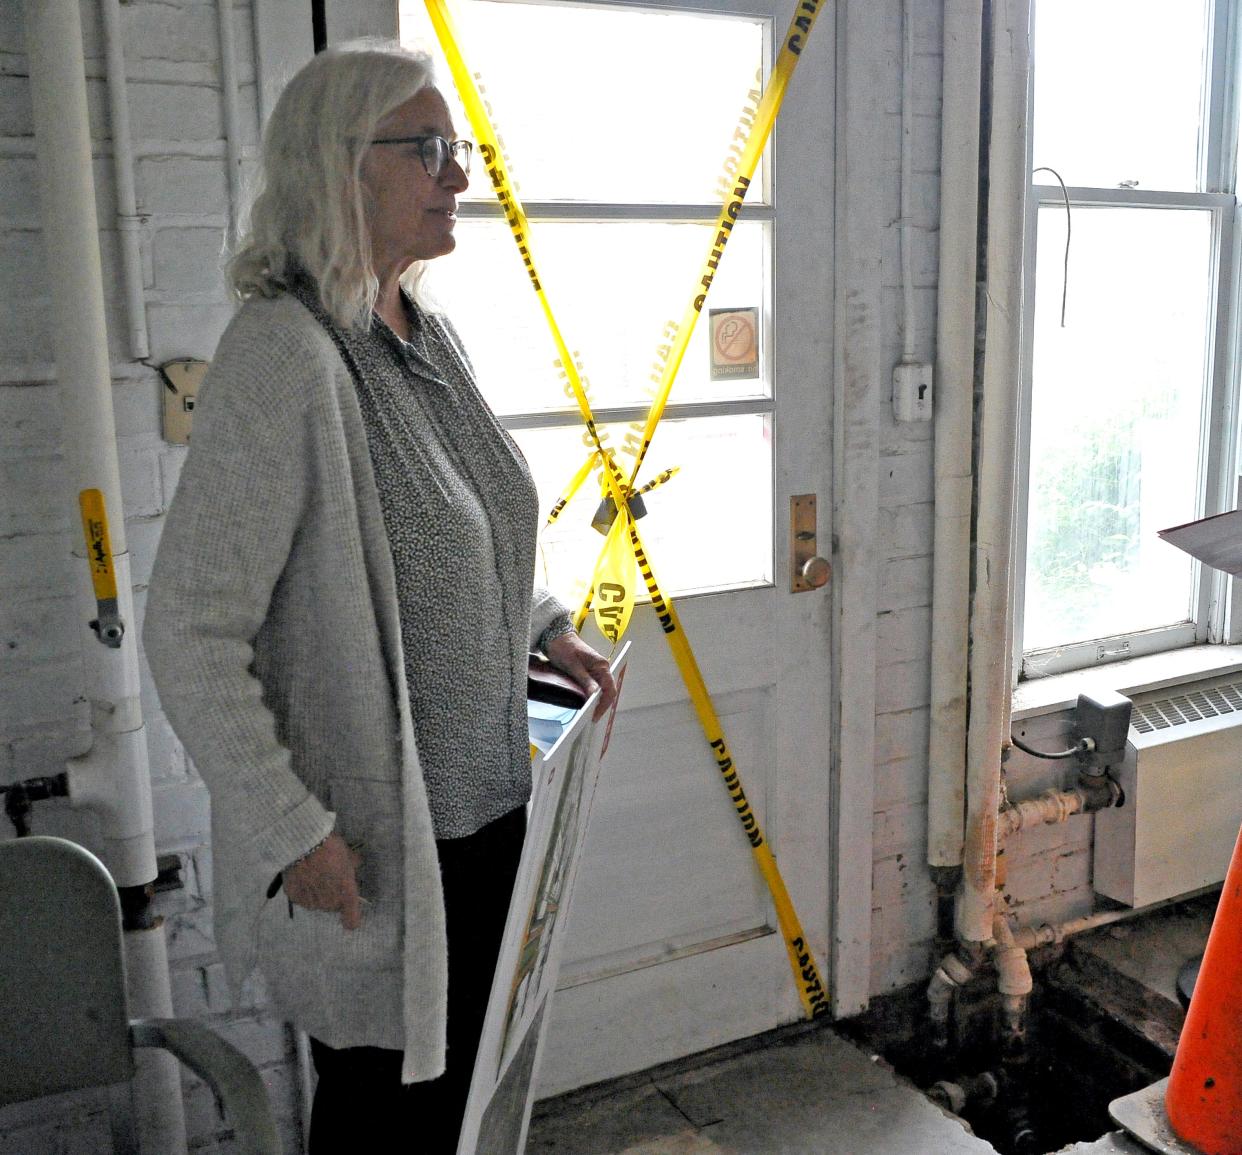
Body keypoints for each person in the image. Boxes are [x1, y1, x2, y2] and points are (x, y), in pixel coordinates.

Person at [143, 40, 617, 1154]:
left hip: (490, 815)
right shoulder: (284, 354)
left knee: (461, 1112)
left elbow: (472, 522)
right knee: (384, 1123)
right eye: (431, 151)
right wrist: (289, 827)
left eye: (459, 151)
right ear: (338, 167)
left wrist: (544, 626)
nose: (460, 177)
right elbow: (190, 632)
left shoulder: (419, 327)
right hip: (379, 852)